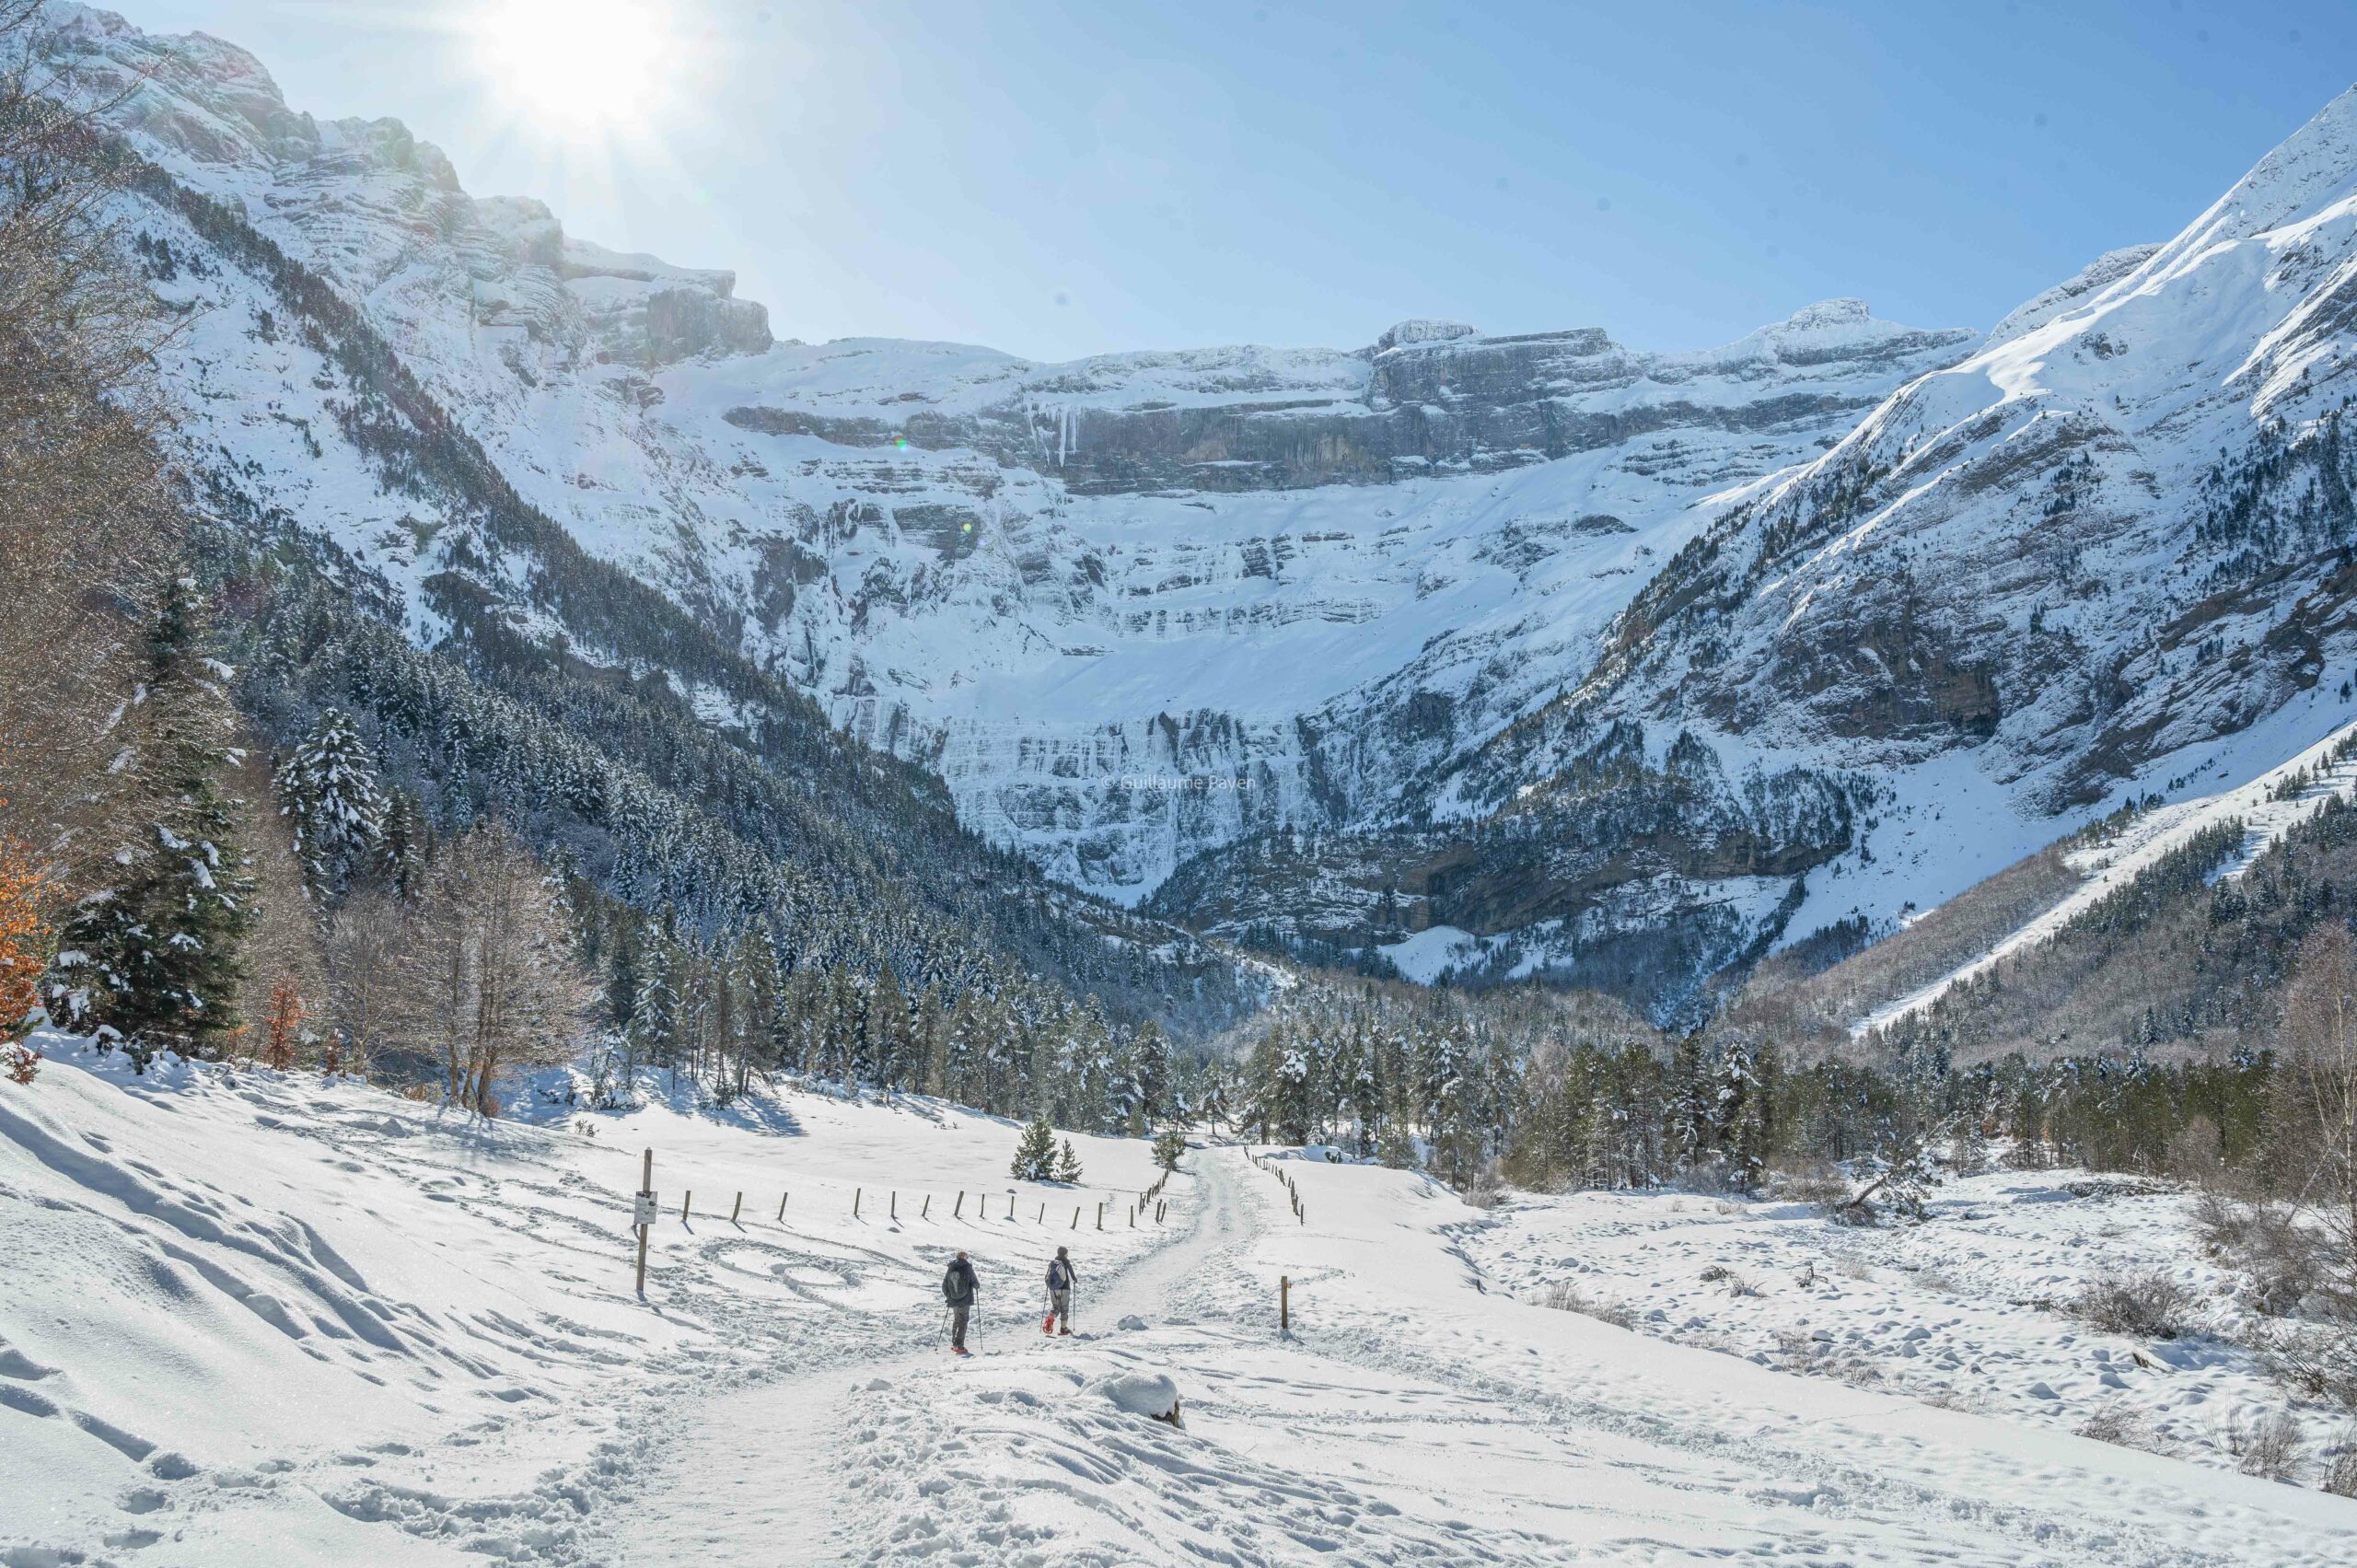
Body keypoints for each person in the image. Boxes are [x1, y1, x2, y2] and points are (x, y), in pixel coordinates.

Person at [942, 1250, 979, 1355]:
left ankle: (954, 1344)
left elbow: (944, 1285)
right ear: (964, 1257)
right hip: (965, 1300)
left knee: (957, 1320)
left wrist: (949, 1296)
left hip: (954, 1300)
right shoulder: (968, 1267)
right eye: (967, 1257)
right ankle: (959, 1346)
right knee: (963, 1321)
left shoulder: (951, 1267)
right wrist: (975, 1286)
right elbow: (976, 1283)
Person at [1043, 1246, 1076, 1336]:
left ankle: (1051, 1316)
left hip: (1053, 1289)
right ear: (1065, 1254)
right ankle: (1063, 1329)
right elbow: (1072, 1276)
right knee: (1064, 1308)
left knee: (1056, 1307)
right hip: (1065, 1289)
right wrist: (1074, 1280)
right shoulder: (1066, 1262)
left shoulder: (1053, 1263)